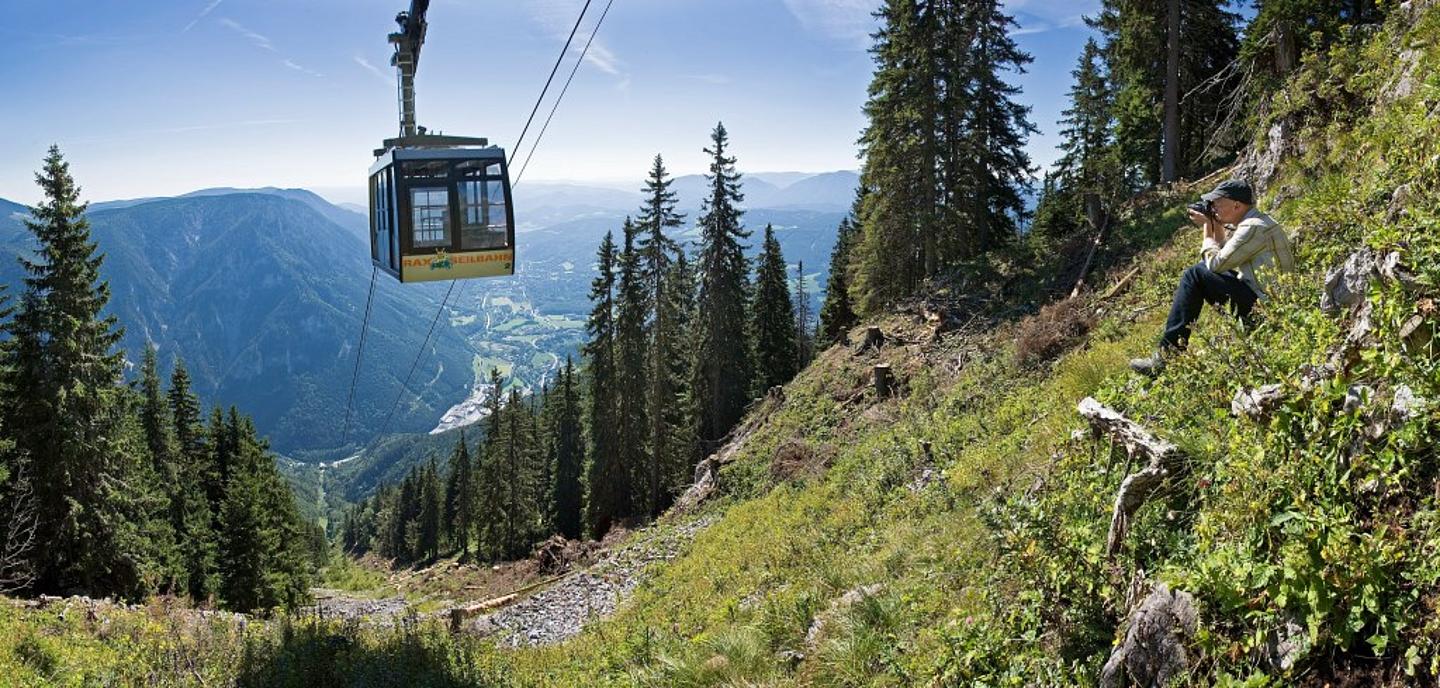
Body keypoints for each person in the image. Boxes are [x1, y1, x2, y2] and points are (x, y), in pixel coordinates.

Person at [1130, 179, 1295, 376]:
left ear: (1236, 204)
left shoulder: (1252, 227)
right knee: (1200, 271)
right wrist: (1215, 224)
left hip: (1268, 309)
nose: (1213, 207)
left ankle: (1165, 359)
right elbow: (1225, 253)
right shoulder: (1256, 222)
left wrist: (1208, 229)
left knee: (1195, 274)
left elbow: (1216, 264)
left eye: (1217, 202)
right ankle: (1169, 354)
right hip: (1271, 301)